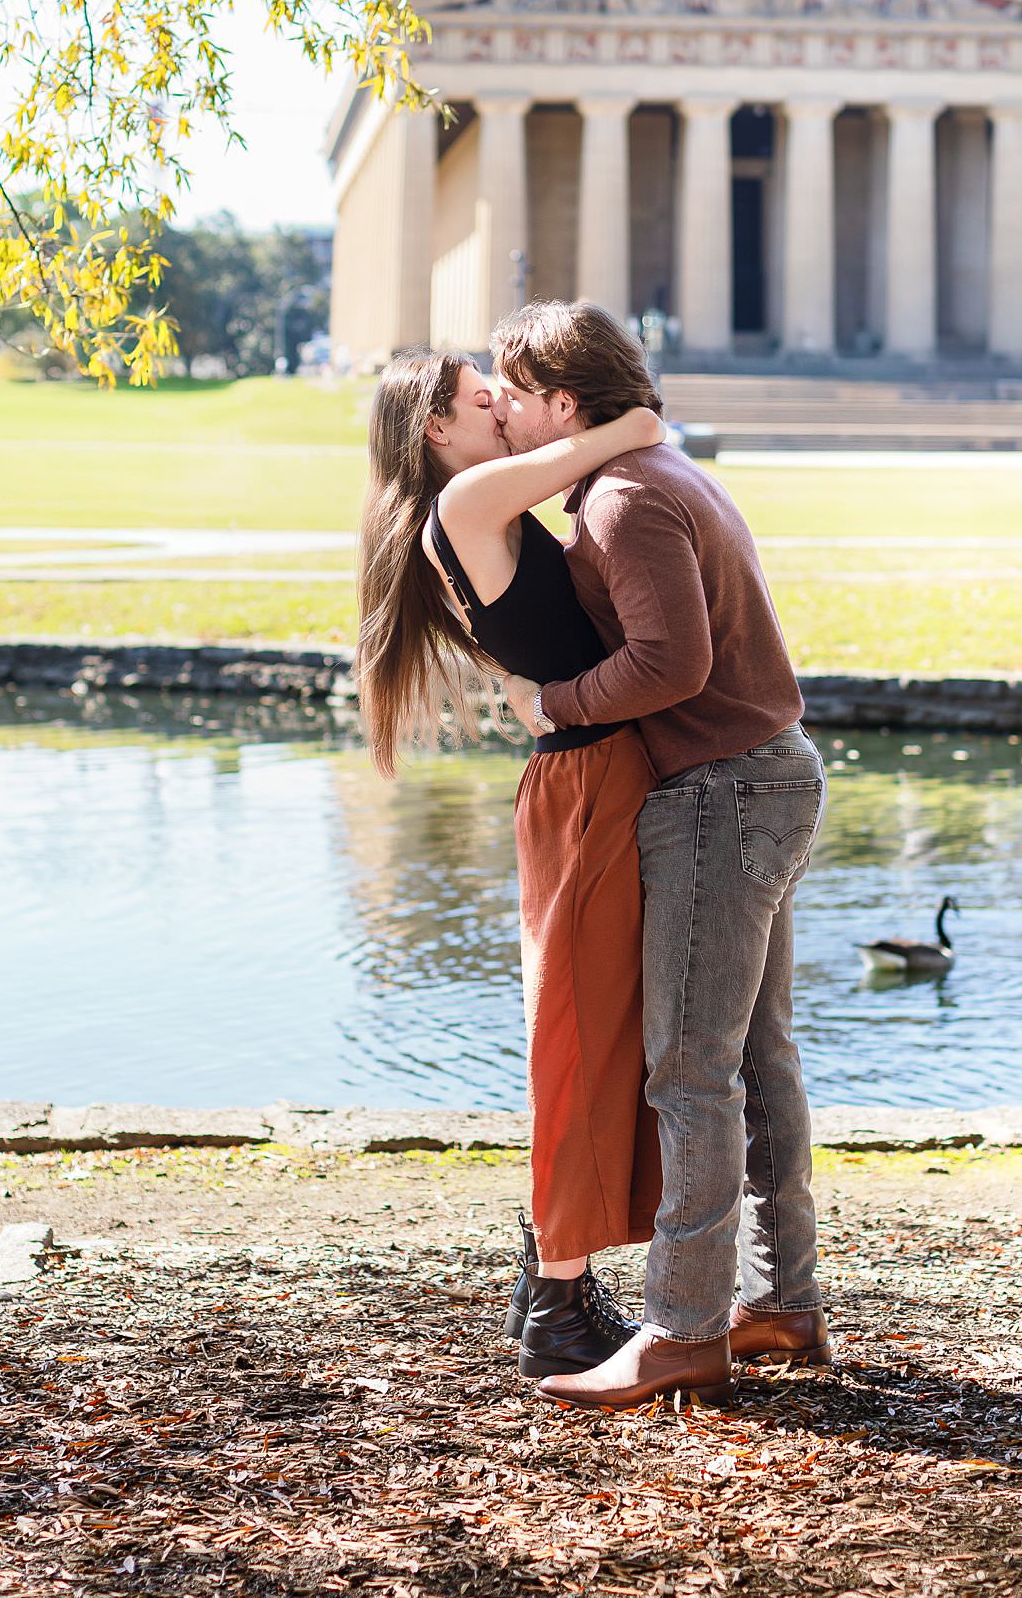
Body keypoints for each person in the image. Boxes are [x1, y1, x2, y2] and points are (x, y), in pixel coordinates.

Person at [491, 301, 831, 1411]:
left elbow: (671, 664)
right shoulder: (661, 473)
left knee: (690, 1068)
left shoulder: (627, 499)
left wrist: (554, 702)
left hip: (722, 792)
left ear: (563, 400)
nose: (509, 419)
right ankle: (784, 1302)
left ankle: (683, 1329)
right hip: (769, 773)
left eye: (518, 396)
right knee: (757, 1061)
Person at [355, 349, 664, 1379]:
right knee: (577, 1042)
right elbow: (633, 434)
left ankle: (553, 1281)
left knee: (586, 1033)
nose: (506, 409)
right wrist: (599, 405)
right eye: (489, 400)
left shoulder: (454, 515)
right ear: (439, 429)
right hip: (586, 782)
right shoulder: (476, 494)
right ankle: (560, 1310)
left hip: (580, 774)